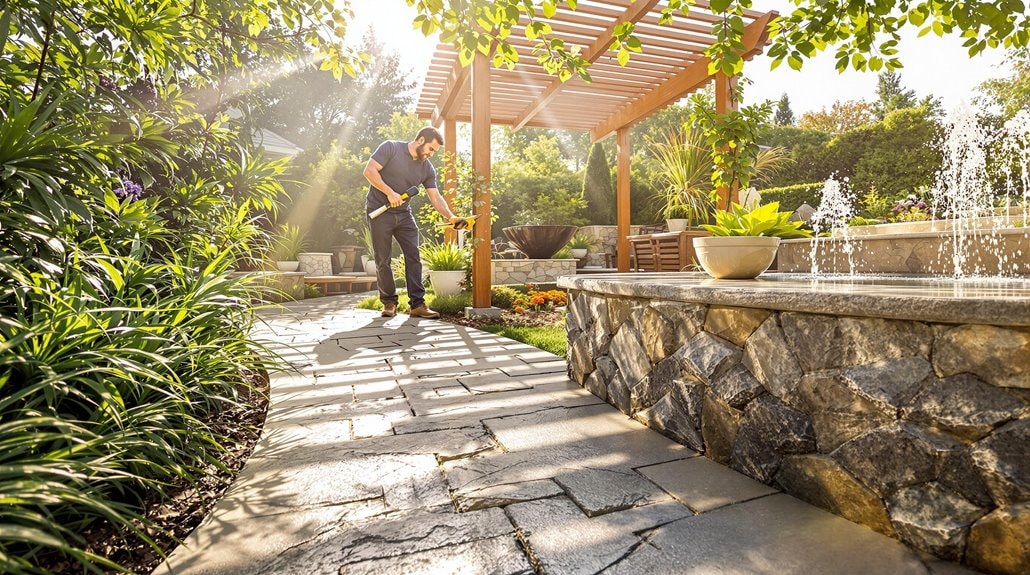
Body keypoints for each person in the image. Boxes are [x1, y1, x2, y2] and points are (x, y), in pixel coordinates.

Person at [363, 127, 465, 319]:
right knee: (382, 259)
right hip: (379, 211)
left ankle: (417, 305)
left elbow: (435, 197)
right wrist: (390, 193)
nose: (431, 154)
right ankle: (389, 302)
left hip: (403, 214)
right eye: (431, 149)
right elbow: (369, 171)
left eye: (434, 151)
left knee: (414, 256)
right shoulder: (391, 148)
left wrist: (451, 217)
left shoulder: (426, 168)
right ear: (420, 140)